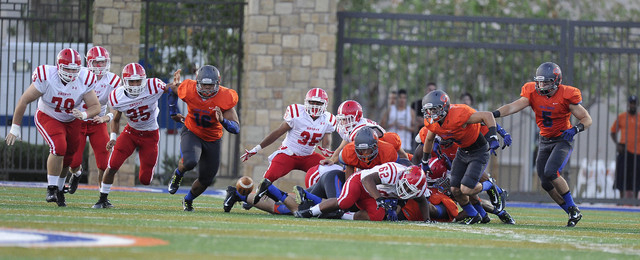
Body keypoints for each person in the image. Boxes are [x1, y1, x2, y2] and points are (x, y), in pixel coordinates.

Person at [492, 62, 592, 227]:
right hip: (545, 140)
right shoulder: (531, 92)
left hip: (562, 139)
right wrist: (494, 114)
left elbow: (587, 119)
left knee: (551, 171)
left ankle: (573, 207)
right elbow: (512, 107)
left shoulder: (567, 94)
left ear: (556, 81)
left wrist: (575, 129)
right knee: (545, 182)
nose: (541, 85)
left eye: (546, 82)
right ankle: (571, 212)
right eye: (539, 81)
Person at [5, 48, 101, 207]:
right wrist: (15, 127)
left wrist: (84, 115)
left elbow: (95, 106)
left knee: (69, 158)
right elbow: (23, 100)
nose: (71, 73)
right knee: (58, 146)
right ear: (58, 66)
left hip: (72, 119)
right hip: (48, 115)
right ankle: (51, 188)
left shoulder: (84, 78)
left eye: (74, 69)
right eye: (67, 69)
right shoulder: (47, 76)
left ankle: (60, 190)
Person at [236, 88, 335, 209]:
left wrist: (326, 149)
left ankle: (326, 201)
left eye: (318, 103)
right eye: (312, 102)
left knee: (328, 171)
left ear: (325, 104)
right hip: (289, 153)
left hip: (308, 155)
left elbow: (326, 142)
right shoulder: (297, 113)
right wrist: (256, 149)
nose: (315, 106)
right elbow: (278, 132)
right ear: (306, 102)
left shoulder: (328, 119)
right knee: (267, 179)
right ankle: (254, 198)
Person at [91, 63, 171, 209]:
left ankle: (105, 197)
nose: (135, 85)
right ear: (124, 81)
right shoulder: (117, 96)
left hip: (150, 135)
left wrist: (177, 85)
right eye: (131, 81)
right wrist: (113, 137)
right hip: (131, 133)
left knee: (145, 179)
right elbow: (115, 119)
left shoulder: (153, 86)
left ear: (144, 80)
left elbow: (171, 88)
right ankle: (102, 199)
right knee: (112, 164)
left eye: (138, 81)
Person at [420, 90, 502, 225]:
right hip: (462, 151)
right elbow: (429, 139)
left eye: (434, 109)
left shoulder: (459, 114)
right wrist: (424, 161)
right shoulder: (433, 123)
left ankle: (490, 185)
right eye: (429, 110)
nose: (431, 114)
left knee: (466, 190)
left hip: (478, 150)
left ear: (444, 107)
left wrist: (493, 136)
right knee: (455, 190)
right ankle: (473, 215)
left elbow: (487, 115)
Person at [165, 65, 240, 211]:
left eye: (210, 85)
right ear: (197, 83)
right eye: (204, 85)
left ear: (217, 84)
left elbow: (236, 128)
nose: (206, 89)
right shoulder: (188, 88)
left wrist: (223, 121)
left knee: (206, 179)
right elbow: (170, 89)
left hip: (213, 139)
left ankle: (187, 200)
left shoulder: (226, 97)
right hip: (192, 131)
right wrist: (173, 112)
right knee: (190, 161)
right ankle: (178, 174)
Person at [295, 163, 431, 222]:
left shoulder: (418, 187)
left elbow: (422, 200)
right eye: (405, 186)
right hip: (360, 182)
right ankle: (309, 212)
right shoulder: (393, 171)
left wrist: (427, 220)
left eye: (410, 190)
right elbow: (367, 179)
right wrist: (379, 199)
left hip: (372, 193)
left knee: (377, 215)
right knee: (344, 201)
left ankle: (341, 216)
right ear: (403, 177)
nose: (405, 191)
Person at [67, 46, 121, 194]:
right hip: (78, 121)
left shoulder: (113, 80)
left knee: (104, 164)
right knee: (74, 162)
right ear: (89, 62)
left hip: (98, 122)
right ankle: (77, 173)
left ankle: (102, 195)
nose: (100, 66)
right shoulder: (79, 74)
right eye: (96, 62)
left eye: (103, 62)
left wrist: (105, 117)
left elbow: (116, 108)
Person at [610, 95, 640, 199]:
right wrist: (618, 144)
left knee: (637, 176)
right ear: (628, 104)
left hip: (638, 151)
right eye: (631, 103)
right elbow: (613, 132)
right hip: (625, 150)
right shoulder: (622, 117)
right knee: (622, 175)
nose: (632, 105)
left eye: (634, 103)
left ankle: (635, 200)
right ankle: (621, 199)